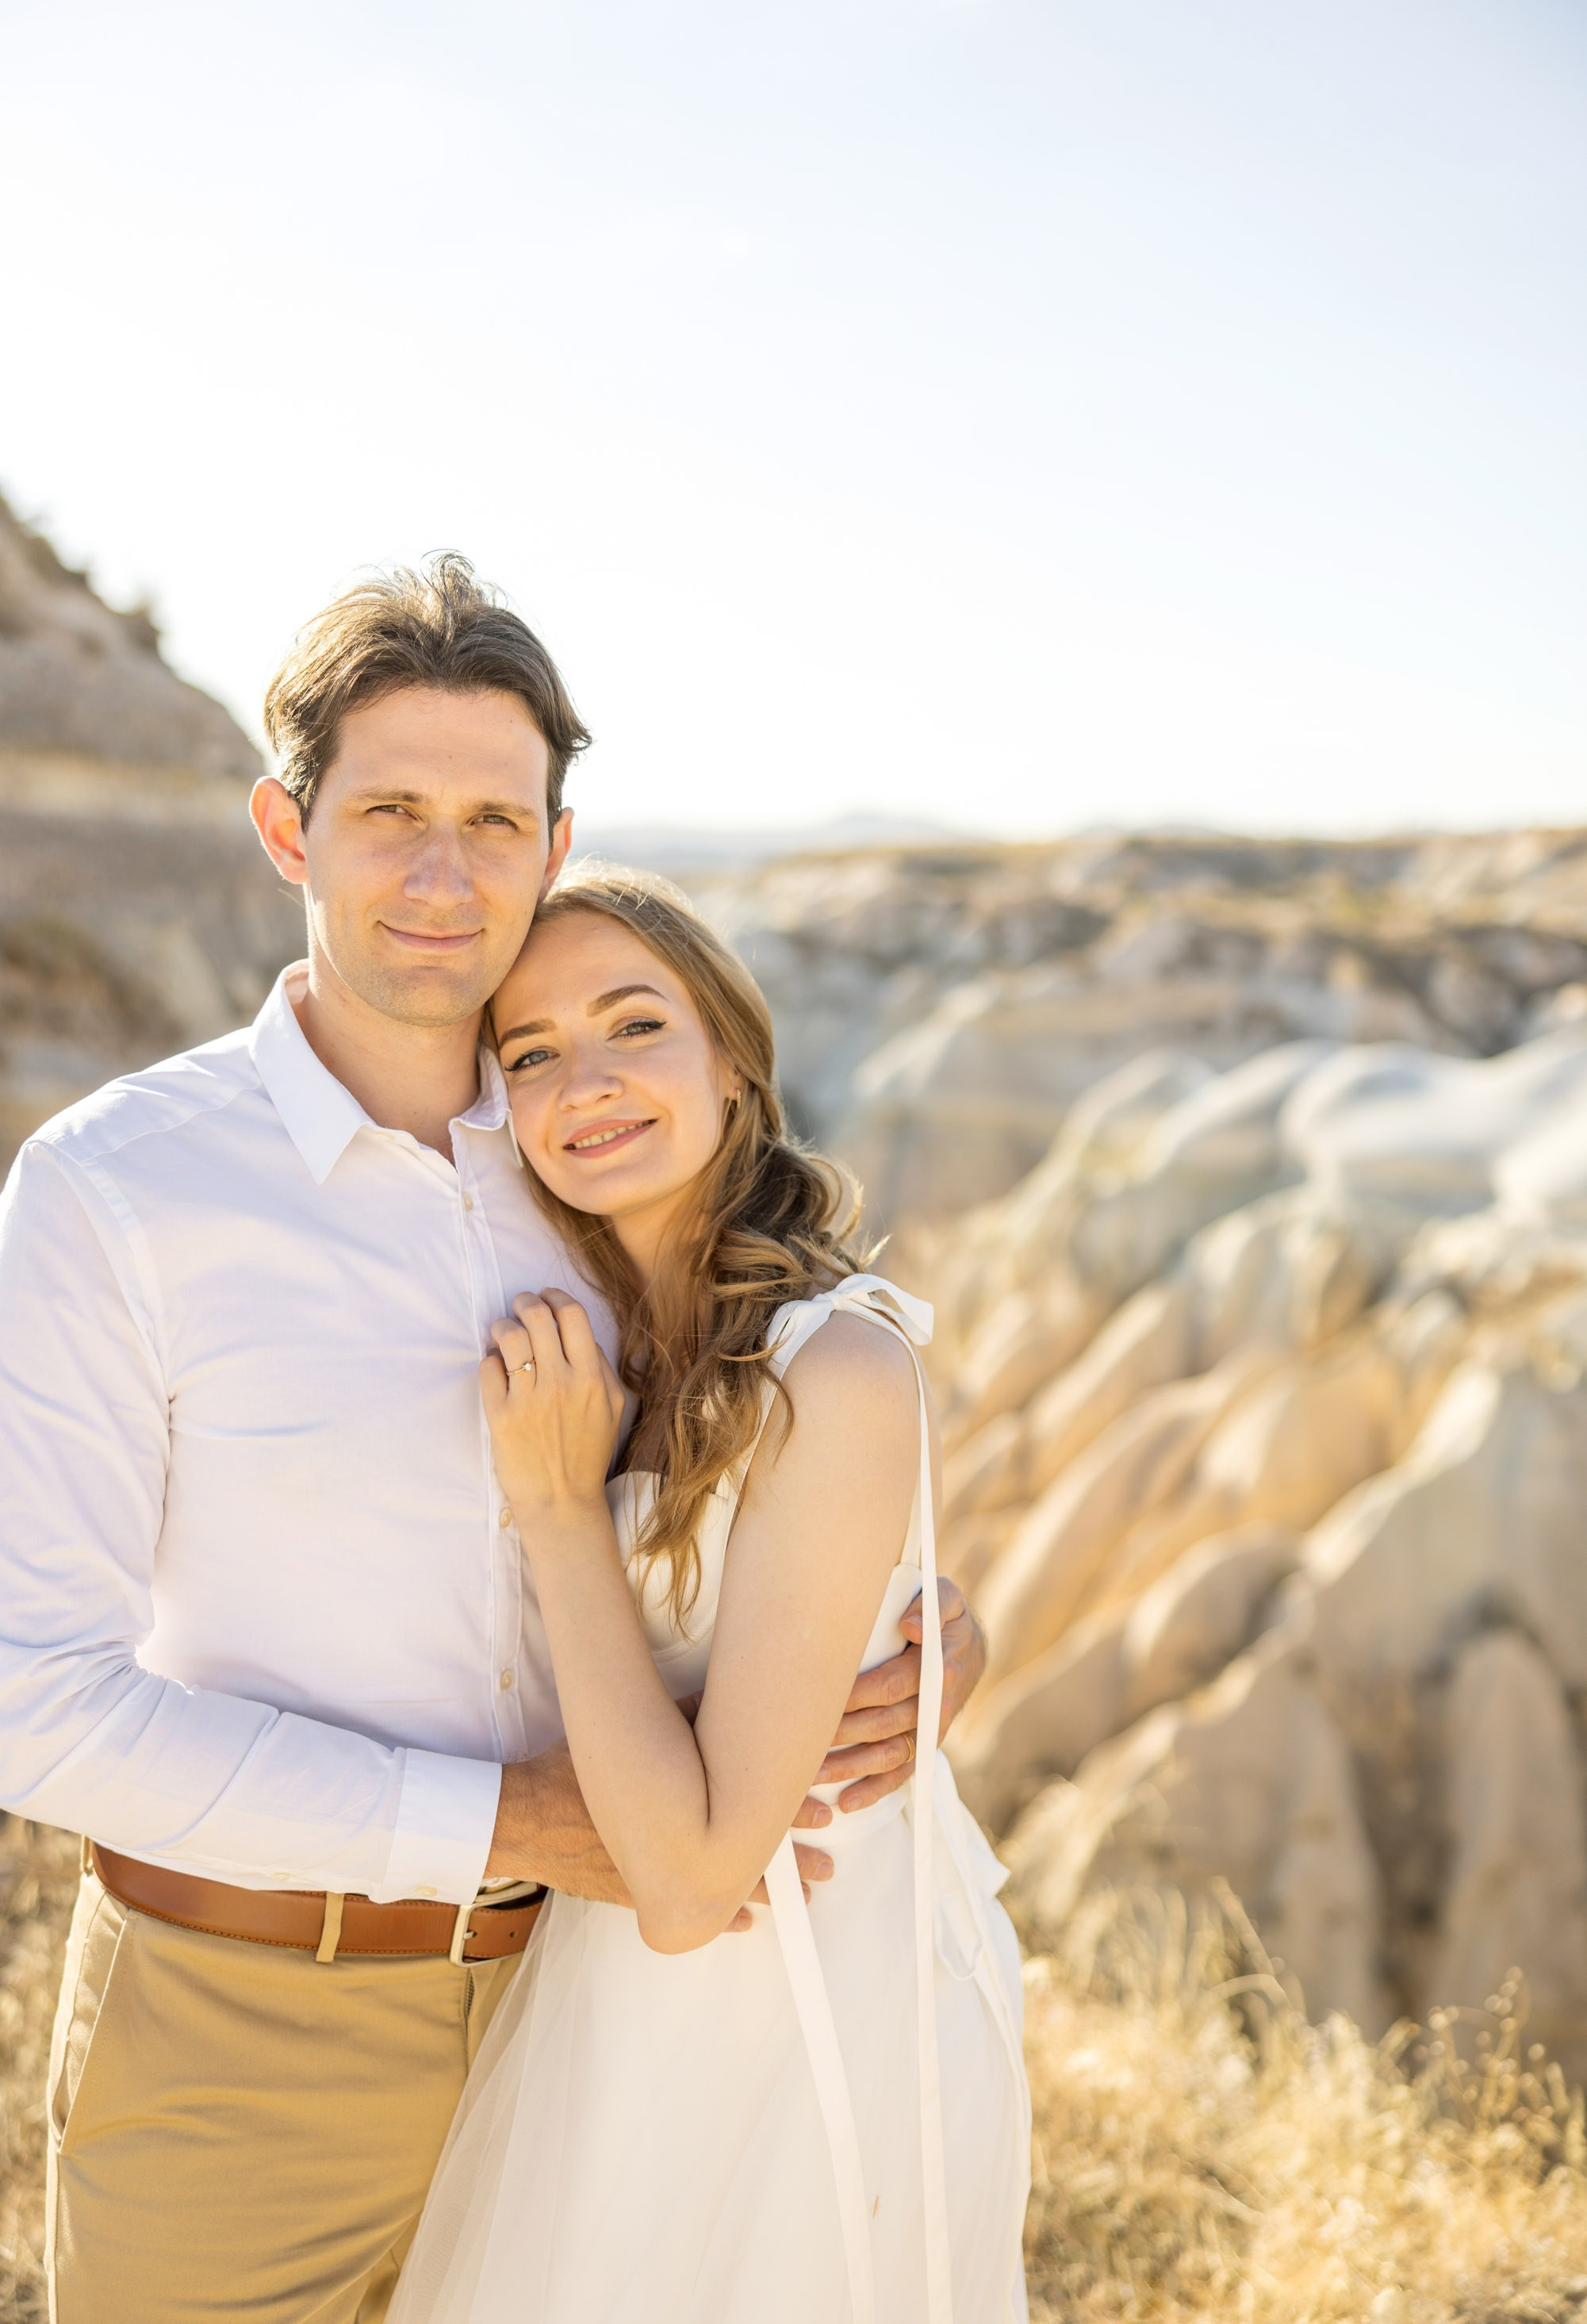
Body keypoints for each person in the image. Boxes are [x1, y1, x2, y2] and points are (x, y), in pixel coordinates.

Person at [0, 557, 990, 2324]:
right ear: (284, 832)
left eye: (492, 818)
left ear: (554, 840)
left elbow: (769, 1445)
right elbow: (32, 1702)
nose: (445, 875)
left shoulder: (601, 1159)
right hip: (248, 2037)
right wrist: (500, 1822)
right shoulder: (114, 1190)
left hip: (611, 2026)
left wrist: (905, 1643)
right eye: (388, 812)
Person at [389, 865, 1030, 2324]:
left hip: (807, 2003)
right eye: (534, 1053)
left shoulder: (837, 1365)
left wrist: (557, 1507)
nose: (587, 1083)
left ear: (731, 1061)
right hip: (612, 1996)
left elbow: (692, 1888)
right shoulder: (595, 1340)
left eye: (635, 1026)